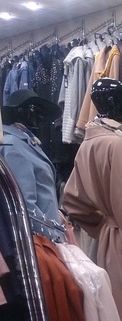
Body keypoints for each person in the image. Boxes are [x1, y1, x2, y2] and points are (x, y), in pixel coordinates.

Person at [61, 79, 122, 321]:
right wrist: (110, 225)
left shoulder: (89, 143)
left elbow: (72, 200)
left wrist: (101, 227)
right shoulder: (114, 144)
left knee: (116, 311)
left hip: (108, 241)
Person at [0, 89, 66, 242]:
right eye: (34, 109)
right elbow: (25, 206)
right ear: (20, 111)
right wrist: (53, 235)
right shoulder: (14, 146)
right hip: (38, 239)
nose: (40, 115)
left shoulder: (26, 141)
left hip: (44, 233)